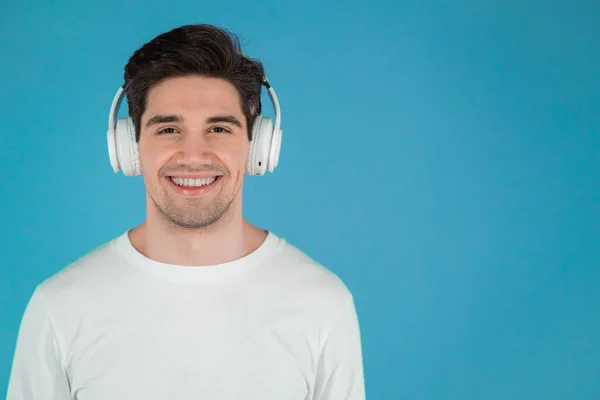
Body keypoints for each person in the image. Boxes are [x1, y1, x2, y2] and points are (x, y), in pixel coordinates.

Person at [6, 24, 365, 400]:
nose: (193, 155)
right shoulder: (60, 307)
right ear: (129, 147)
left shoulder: (322, 304)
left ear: (257, 146)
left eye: (220, 129)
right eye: (168, 130)